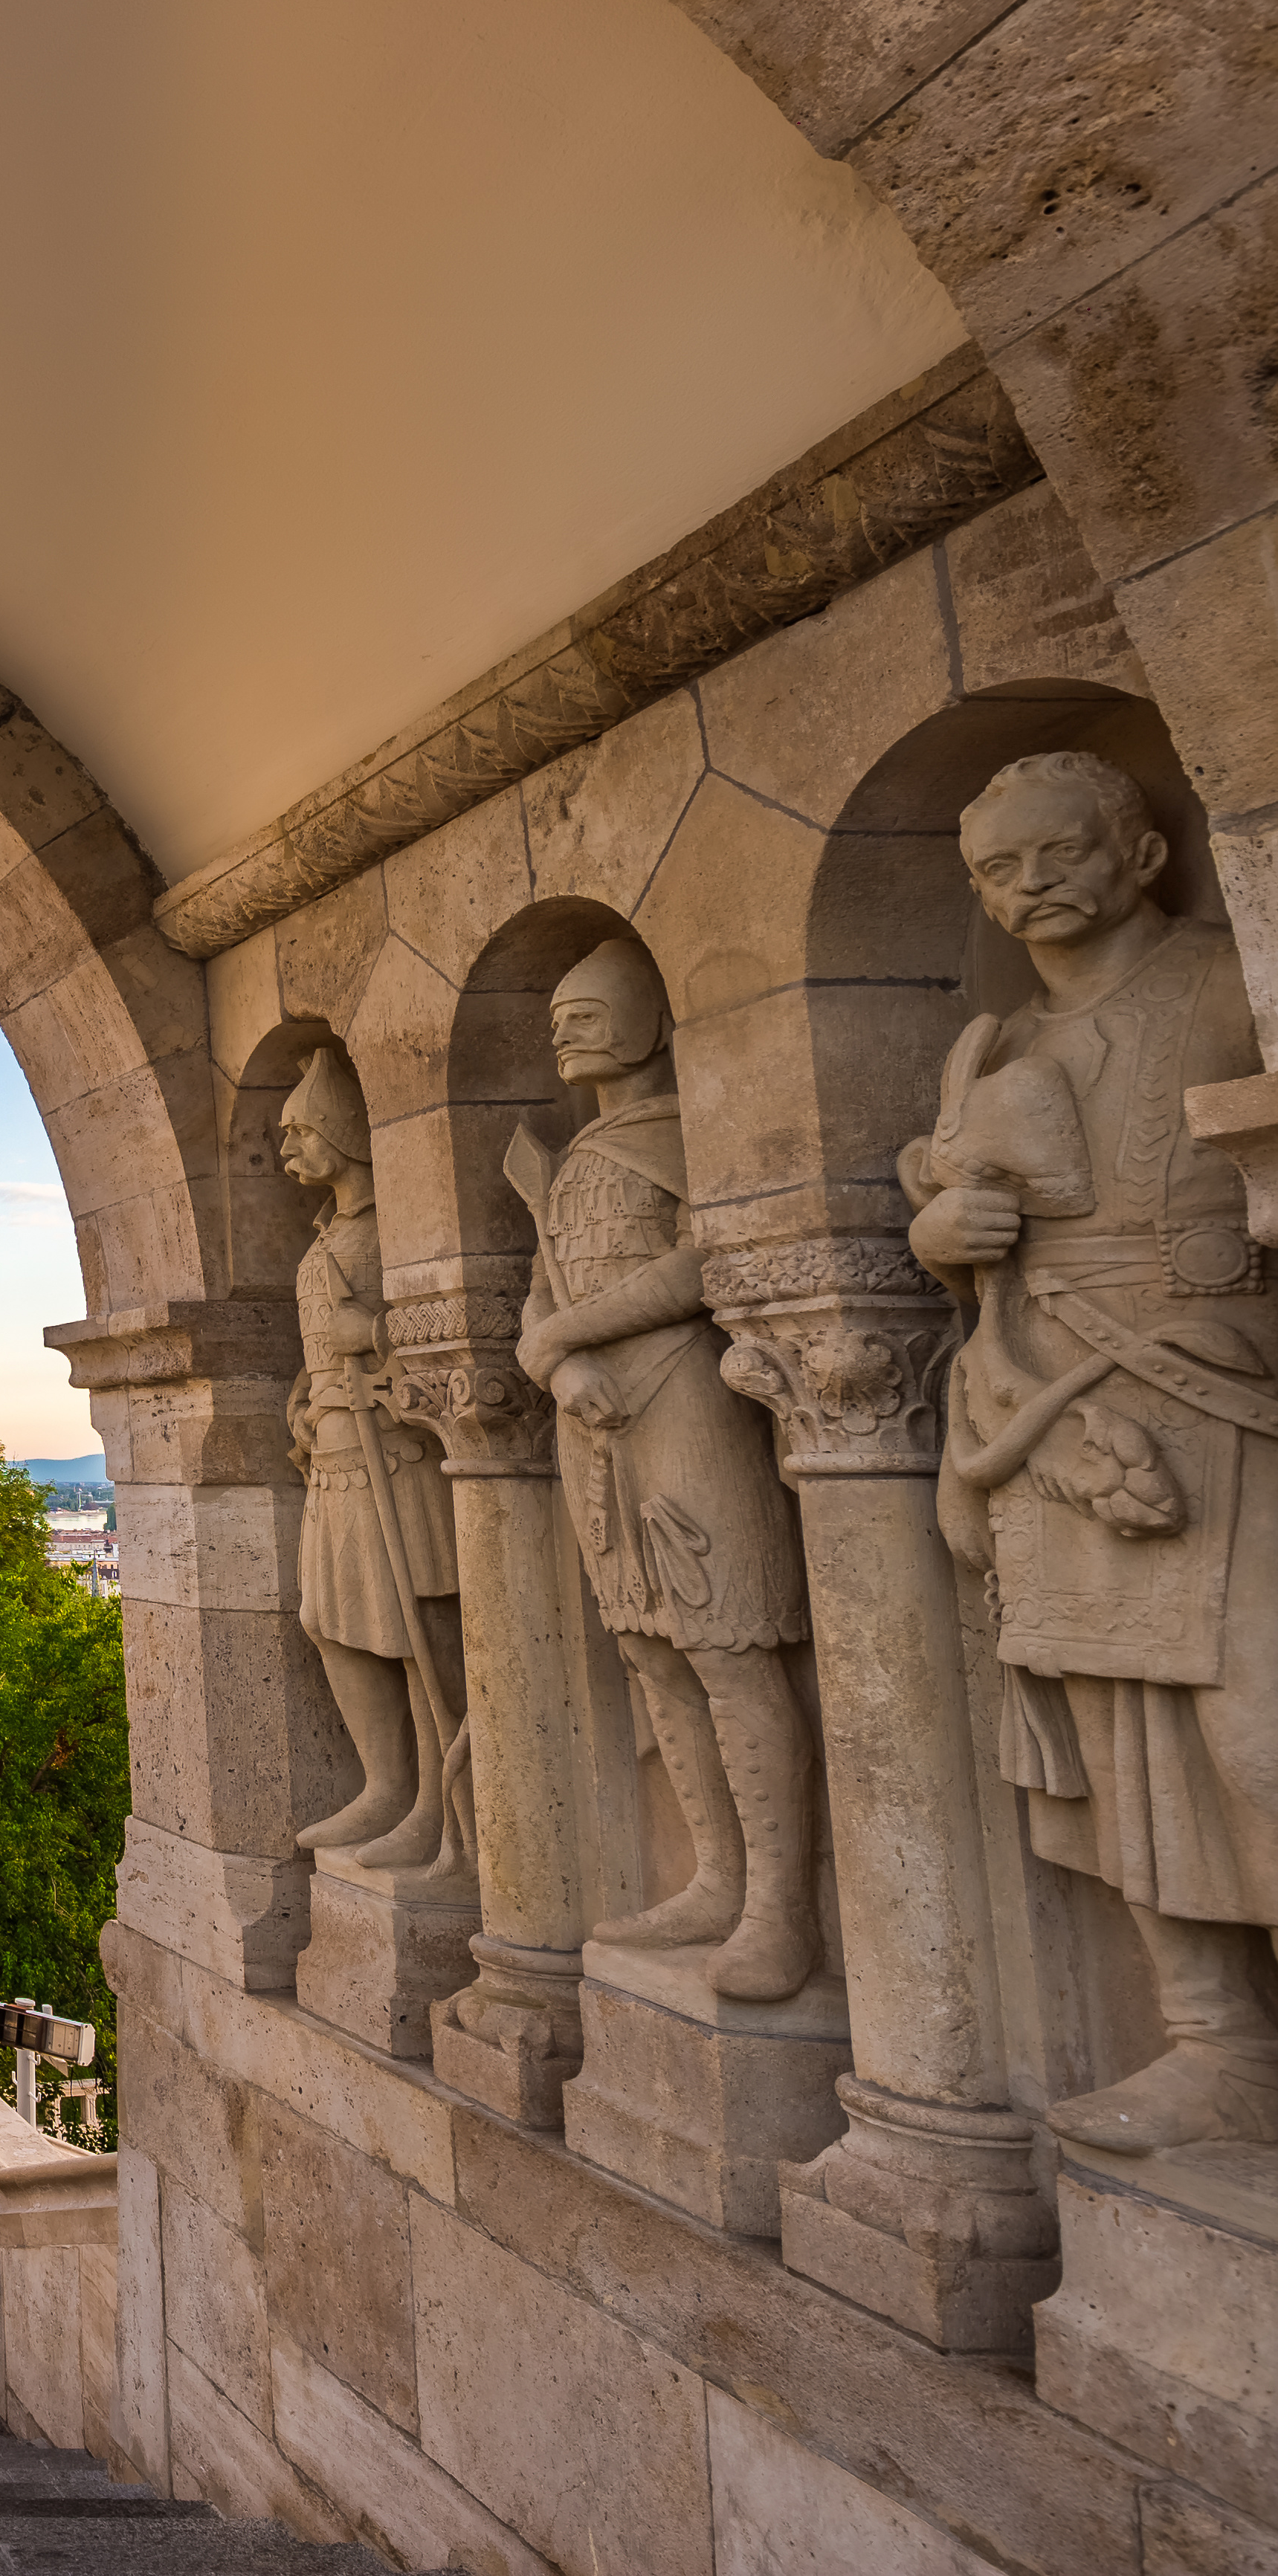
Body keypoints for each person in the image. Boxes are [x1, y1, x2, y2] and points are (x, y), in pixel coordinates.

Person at [909, 751, 1278, 2150]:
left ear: (1139, 852)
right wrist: (936, 1241)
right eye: (995, 871)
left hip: (1221, 1395)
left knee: (1248, 1725)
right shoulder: (995, 1048)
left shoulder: (1225, 978)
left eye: (1057, 851)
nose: (1027, 886)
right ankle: (1216, 2039)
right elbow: (966, 1227)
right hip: (1059, 1416)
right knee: (1125, 1742)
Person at [515, 940, 818, 2002]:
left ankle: (780, 1903)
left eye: (590, 1007)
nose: (566, 1027)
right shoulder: (565, 1160)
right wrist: (554, 1368)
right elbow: (534, 1307)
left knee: (728, 1645)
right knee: (652, 1654)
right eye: (556, 1013)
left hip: (684, 1398)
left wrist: (564, 1344)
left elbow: (702, 1261)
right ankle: (713, 1875)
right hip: (592, 1423)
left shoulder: (688, 1132)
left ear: (652, 1016)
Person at [279, 1048, 465, 1873]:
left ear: (344, 1135)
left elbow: (449, 1326)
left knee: (409, 1632)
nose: (285, 1150)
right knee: (329, 1623)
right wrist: (302, 1401)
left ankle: (433, 1804)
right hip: (334, 1453)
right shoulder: (329, 1237)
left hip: (394, 1456)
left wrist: (380, 1336)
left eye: (300, 1132)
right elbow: (318, 1350)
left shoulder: (394, 1229)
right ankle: (385, 1785)